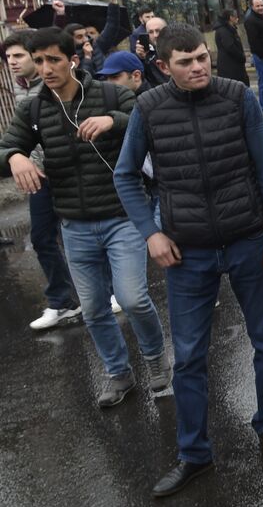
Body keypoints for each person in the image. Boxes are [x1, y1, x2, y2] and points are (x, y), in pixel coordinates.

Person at [113, 23, 263, 497]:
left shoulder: (238, 97)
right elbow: (126, 175)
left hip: (246, 240)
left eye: (202, 58)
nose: (197, 68)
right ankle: (194, 453)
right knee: (189, 357)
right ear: (163, 66)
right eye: (185, 62)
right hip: (186, 252)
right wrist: (150, 232)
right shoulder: (149, 109)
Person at [0, 28, 170, 406]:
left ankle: (156, 361)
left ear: (72, 60)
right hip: (74, 226)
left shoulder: (110, 93)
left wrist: (112, 120)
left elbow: (146, 117)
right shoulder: (33, 108)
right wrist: (15, 157)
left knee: (133, 298)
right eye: (39, 61)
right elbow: (7, 145)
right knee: (93, 308)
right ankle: (118, 374)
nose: (46, 68)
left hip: (122, 217)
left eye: (54, 60)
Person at [4, 30, 83, 330]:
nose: (12, 62)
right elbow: (14, 139)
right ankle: (63, 302)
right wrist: (15, 154)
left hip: (73, 174)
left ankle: (108, 293)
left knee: (86, 236)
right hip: (40, 177)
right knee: (42, 238)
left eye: (19, 56)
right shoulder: (20, 90)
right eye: (8, 57)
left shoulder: (61, 86)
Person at [215, 9, 250, 84]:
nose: (238, 18)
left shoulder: (229, 29)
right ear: (231, 18)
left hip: (234, 66)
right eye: (236, 16)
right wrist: (242, 57)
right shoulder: (224, 31)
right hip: (230, 67)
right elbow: (230, 47)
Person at [133, 16, 170, 87]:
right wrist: (141, 59)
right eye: (151, 32)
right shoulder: (147, 54)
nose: (155, 35)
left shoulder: (179, 48)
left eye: (158, 31)